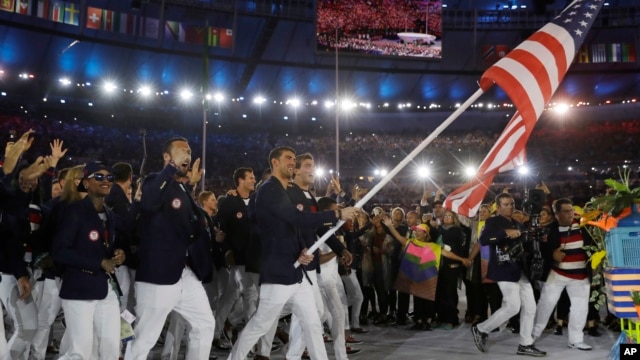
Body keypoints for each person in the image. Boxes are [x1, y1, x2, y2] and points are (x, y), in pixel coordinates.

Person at [227, 146, 357, 360]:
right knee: (260, 324)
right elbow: (294, 219)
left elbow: (292, 227)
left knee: (314, 324)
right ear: (275, 163)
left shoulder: (284, 190)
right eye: (288, 158)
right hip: (279, 272)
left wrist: (302, 250)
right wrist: (337, 214)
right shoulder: (270, 189)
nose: (292, 162)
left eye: (294, 158)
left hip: (298, 273)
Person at [125, 137, 215, 360]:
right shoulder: (153, 180)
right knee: (145, 337)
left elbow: (192, 225)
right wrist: (171, 169)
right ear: (167, 157)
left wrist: (190, 186)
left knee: (205, 324)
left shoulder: (181, 188)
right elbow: (149, 202)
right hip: (158, 274)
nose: (188, 154)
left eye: (189, 151)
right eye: (182, 151)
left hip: (185, 272)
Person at [51, 161, 127, 359]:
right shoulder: (73, 211)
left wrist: (119, 253)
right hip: (79, 289)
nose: (106, 181)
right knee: (81, 352)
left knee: (111, 348)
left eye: (109, 177)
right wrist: (99, 262)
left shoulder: (109, 216)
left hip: (105, 288)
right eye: (99, 177)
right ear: (86, 183)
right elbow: (59, 251)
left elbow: (107, 246)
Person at [471, 193, 546, 357]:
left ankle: (525, 344)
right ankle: (481, 328)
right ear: (498, 207)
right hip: (503, 268)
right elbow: (484, 240)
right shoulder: (492, 221)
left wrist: (536, 236)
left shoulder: (519, 223)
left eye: (511, 204)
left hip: (520, 269)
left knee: (531, 307)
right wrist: (505, 232)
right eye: (505, 204)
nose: (510, 207)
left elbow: (525, 242)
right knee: (513, 306)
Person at [531, 198, 593, 351]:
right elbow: (542, 250)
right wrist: (552, 254)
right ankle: (530, 336)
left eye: (571, 210)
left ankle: (576, 340)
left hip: (580, 276)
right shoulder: (550, 229)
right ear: (557, 214)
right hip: (558, 274)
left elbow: (593, 246)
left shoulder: (583, 226)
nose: (570, 214)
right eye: (566, 211)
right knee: (546, 305)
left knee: (580, 308)